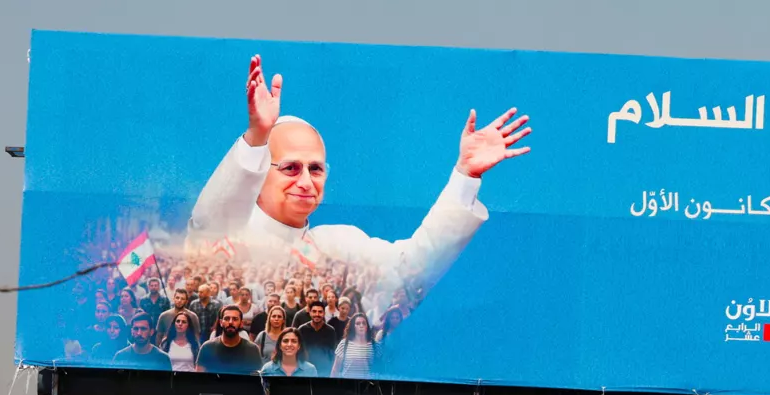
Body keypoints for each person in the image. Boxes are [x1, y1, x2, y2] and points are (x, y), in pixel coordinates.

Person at [186, 54, 531, 306]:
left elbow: (411, 269)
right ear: (260, 175)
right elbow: (208, 222)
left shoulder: (337, 245)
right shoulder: (228, 240)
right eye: (290, 168)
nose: (306, 181)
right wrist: (258, 136)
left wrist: (465, 176)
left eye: (316, 169)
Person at [196, 304, 263, 374]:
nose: (230, 322)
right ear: (221, 322)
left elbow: (258, 379)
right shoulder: (207, 347)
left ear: (241, 323)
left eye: (235, 319)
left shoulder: (252, 349)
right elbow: (199, 378)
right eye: (227, 319)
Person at [297, 301, 337, 375]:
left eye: (320, 312)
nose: (317, 314)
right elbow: (298, 351)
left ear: (324, 313)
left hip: (325, 371)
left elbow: (332, 353)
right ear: (310, 312)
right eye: (314, 311)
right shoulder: (302, 329)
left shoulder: (330, 330)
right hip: (306, 370)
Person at [332, 313, 375, 378]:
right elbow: (335, 370)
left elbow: (380, 369)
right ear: (353, 326)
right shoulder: (344, 344)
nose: (361, 326)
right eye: (358, 323)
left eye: (364, 323)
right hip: (347, 384)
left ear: (367, 326)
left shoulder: (374, 345)